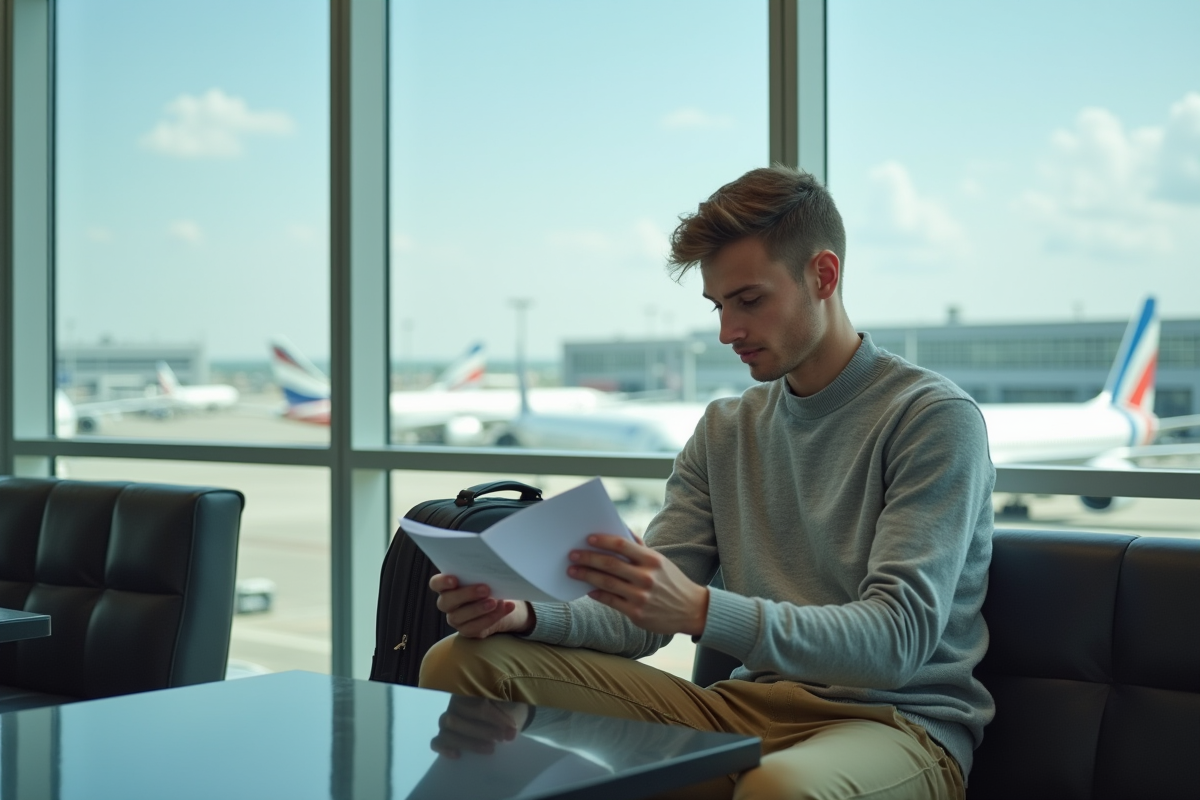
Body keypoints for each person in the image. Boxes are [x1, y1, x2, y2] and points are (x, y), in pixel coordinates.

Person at [419, 165, 995, 800]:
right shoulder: (726, 428)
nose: (728, 332)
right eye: (719, 306)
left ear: (823, 276)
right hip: (744, 706)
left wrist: (697, 608)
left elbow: (896, 641)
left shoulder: (931, 418)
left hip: (893, 725)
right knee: (461, 662)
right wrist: (525, 615)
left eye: (749, 300)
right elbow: (641, 620)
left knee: (780, 790)